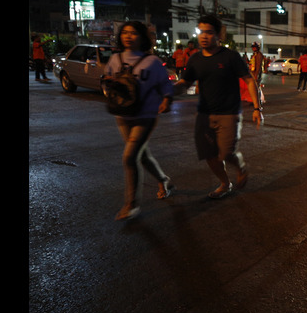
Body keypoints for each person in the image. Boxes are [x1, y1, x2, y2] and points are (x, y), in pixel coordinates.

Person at [174, 14, 263, 199]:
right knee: (209, 154)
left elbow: (249, 80)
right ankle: (224, 183)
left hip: (229, 114)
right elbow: (185, 83)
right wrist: (168, 91)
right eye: (201, 32)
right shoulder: (195, 59)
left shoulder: (230, 57)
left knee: (226, 153)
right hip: (205, 115)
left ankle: (240, 167)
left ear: (218, 35)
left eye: (209, 32)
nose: (204, 36)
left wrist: (257, 108)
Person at [103, 21, 175, 220]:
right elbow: (106, 81)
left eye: (133, 33)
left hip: (146, 116)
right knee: (141, 156)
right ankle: (163, 179)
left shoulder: (152, 61)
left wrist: (167, 100)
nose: (128, 36)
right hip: (122, 115)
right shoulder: (115, 59)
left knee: (129, 157)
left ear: (142, 37)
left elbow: (165, 85)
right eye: (125, 33)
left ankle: (131, 204)